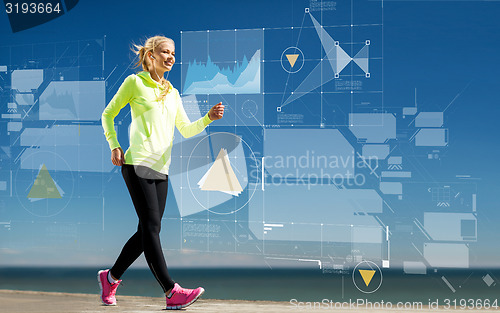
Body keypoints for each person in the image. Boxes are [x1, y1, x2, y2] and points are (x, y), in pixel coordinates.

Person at [98, 35, 224, 310]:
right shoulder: (135, 83)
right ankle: (171, 291)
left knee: (147, 230)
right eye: (165, 52)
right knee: (152, 228)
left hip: (161, 168)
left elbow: (186, 130)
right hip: (136, 163)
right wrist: (114, 144)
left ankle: (110, 278)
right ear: (151, 55)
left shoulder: (174, 93)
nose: (171, 57)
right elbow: (107, 114)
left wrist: (208, 119)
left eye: (173, 53)